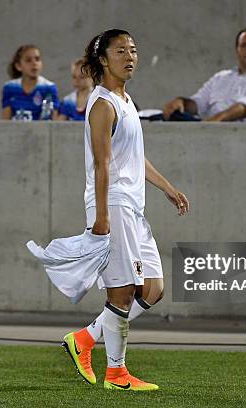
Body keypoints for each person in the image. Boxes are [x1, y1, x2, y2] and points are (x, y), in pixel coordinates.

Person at [59, 29, 189, 392]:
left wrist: (167, 187)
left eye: (133, 50)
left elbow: (131, 157)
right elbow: (103, 165)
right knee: (122, 290)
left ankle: (85, 339)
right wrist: (101, 218)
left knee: (153, 288)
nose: (130, 56)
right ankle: (116, 374)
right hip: (113, 204)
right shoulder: (101, 104)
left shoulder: (126, 99)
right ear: (103, 59)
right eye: (121, 51)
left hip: (133, 207)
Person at [162, 28, 246, 121]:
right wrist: (180, 102)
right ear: (237, 50)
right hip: (209, 135)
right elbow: (198, 104)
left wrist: (216, 121)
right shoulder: (220, 77)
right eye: (243, 46)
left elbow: (245, 108)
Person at [1, 44, 60, 120]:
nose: (34, 63)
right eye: (28, 60)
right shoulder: (10, 88)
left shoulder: (48, 88)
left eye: (37, 59)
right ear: (18, 66)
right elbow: (6, 120)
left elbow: (52, 119)